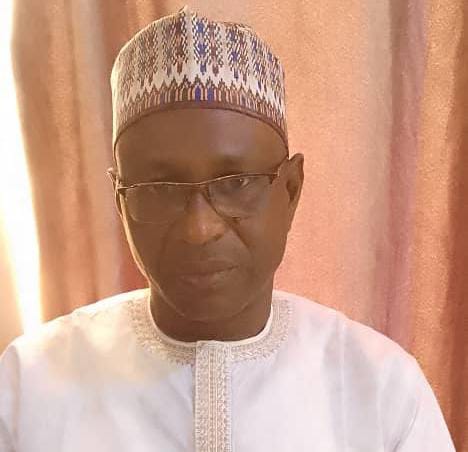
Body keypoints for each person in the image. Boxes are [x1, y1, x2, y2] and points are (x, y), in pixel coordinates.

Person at [0, 5, 456, 451]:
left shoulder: (383, 395)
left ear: (291, 190)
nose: (199, 229)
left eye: (237, 183)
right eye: (159, 189)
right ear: (121, 200)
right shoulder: (29, 389)